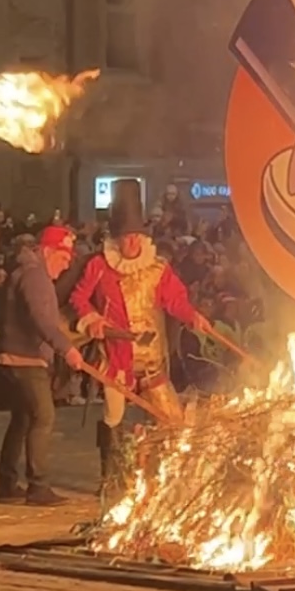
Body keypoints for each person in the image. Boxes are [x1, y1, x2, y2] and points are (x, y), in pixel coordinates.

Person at [70, 189, 220, 478]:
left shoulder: (157, 269)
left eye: (137, 235)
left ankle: (167, 478)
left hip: (152, 361)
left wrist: (193, 317)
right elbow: (79, 298)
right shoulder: (99, 266)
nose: (132, 241)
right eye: (126, 236)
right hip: (116, 360)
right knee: (113, 417)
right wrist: (92, 319)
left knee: (171, 420)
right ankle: (111, 479)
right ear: (116, 237)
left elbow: (175, 301)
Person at [0, 225, 84, 505]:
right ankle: (38, 485)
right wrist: (67, 349)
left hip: (16, 355)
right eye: (63, 257)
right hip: (26, 357)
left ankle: (6, 484)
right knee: (44, 417)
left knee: (22, 419)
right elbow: (42, 321)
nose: (66, 264)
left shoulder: (29, 273)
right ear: (47, 251)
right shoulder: (35, 277)